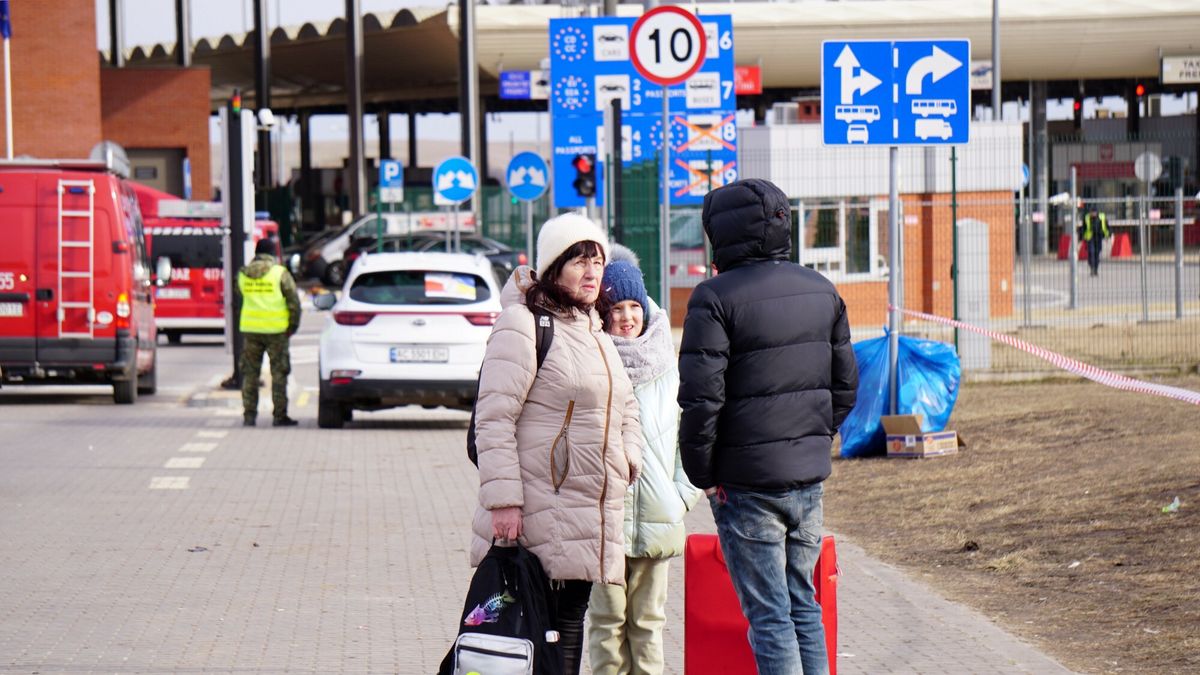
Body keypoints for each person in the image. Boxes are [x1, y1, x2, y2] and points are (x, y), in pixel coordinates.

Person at [677, 178, 859, 675]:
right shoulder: (822, 290)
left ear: (722, 234)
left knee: (769, 615)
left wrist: (702, 472)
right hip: (808, 479)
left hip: (746, 483)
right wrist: (813, 438)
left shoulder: (713, 297)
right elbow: (846, 386)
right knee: (804, 604)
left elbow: (700, 397)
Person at [470, 213, 643, 675]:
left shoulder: (593, 329)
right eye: (579, 262)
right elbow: (493, 419)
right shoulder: (524, 324)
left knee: (565, 633)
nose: (592, 273)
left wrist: (630, 457)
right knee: (529, 637)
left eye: (598, 262)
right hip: (537, 511)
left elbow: (626, 405)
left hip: (588, 511)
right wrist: (504, 502)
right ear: (552, 267)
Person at [588, 247, 702, 675]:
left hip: (658, 517)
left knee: (649, 626)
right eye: (615, 308)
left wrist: (681, 496)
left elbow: (685, 437)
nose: (627, 317)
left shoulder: (666, 365)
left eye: (634, 306)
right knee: (605, 626)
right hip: (605, 525)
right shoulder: (592, 362)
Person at [238, 238, 301, 427]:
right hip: (277, 331)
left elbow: (238, 299)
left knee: (250, 374)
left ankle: (249, 416)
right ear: (273, 253)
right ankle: (279, 415)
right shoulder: (279, 273)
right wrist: (292, 326)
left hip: (251, 330)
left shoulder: (242, 274)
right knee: (279, 373)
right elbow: (294, 303)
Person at [1079, 206, 1111, 276]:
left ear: (1096, 212)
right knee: (1091, 252)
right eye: (1091, 212)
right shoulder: (1087, 217)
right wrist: (1081, 237)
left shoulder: (1102, 217)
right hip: (1090, 237)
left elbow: (1107, 226)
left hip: (1099, 237)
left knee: (1097, 253)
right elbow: (1083, 228)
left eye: (1094, 212)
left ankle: (1095, 269)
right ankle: (1092, 267)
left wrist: (1108, 235)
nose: (1093, 214)